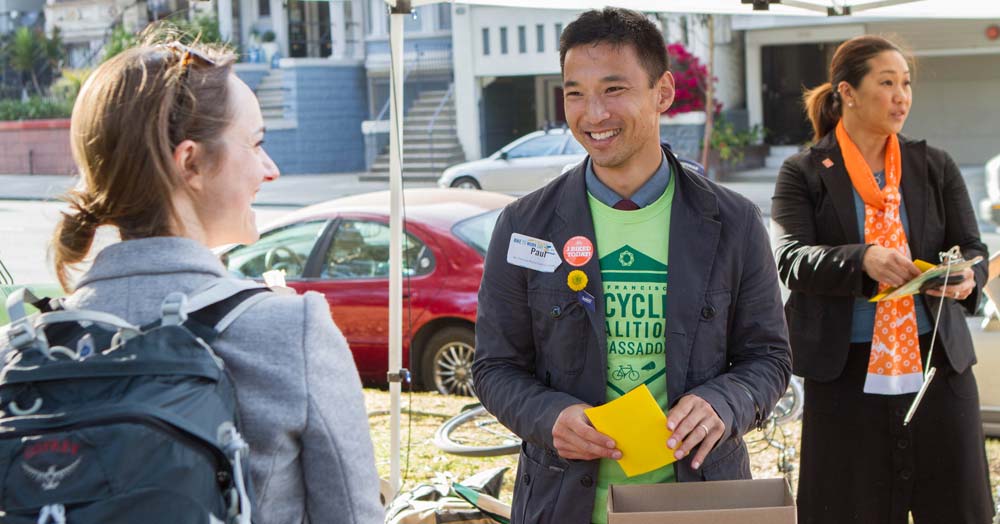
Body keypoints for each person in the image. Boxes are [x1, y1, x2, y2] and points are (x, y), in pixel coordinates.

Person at [472, 8, 791, 524]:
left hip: (699, 500)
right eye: (575, 93)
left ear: (662, 92)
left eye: (614, 89)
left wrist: (721, 404)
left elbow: (769, 359)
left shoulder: (734, 222)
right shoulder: (524, 224)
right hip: (564, 502)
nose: (593, 113)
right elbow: (494, 366)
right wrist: (550, 416)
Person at [47, 33, 383, 523]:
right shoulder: (290, 331)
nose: (271, 169)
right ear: (191, 163)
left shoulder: (23, 352)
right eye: (257, 143)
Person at [771, 35, 993, 523]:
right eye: (887, 83)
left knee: (958, 507)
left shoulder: (932, 164)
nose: (902, 97)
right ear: (847, 92)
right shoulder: (804, 171)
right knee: (848, 509)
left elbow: (974, 249)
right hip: (846, 372)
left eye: (907, 84)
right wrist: (861, 259)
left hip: (938, 364)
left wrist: (964, 278)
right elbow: (789, 258)